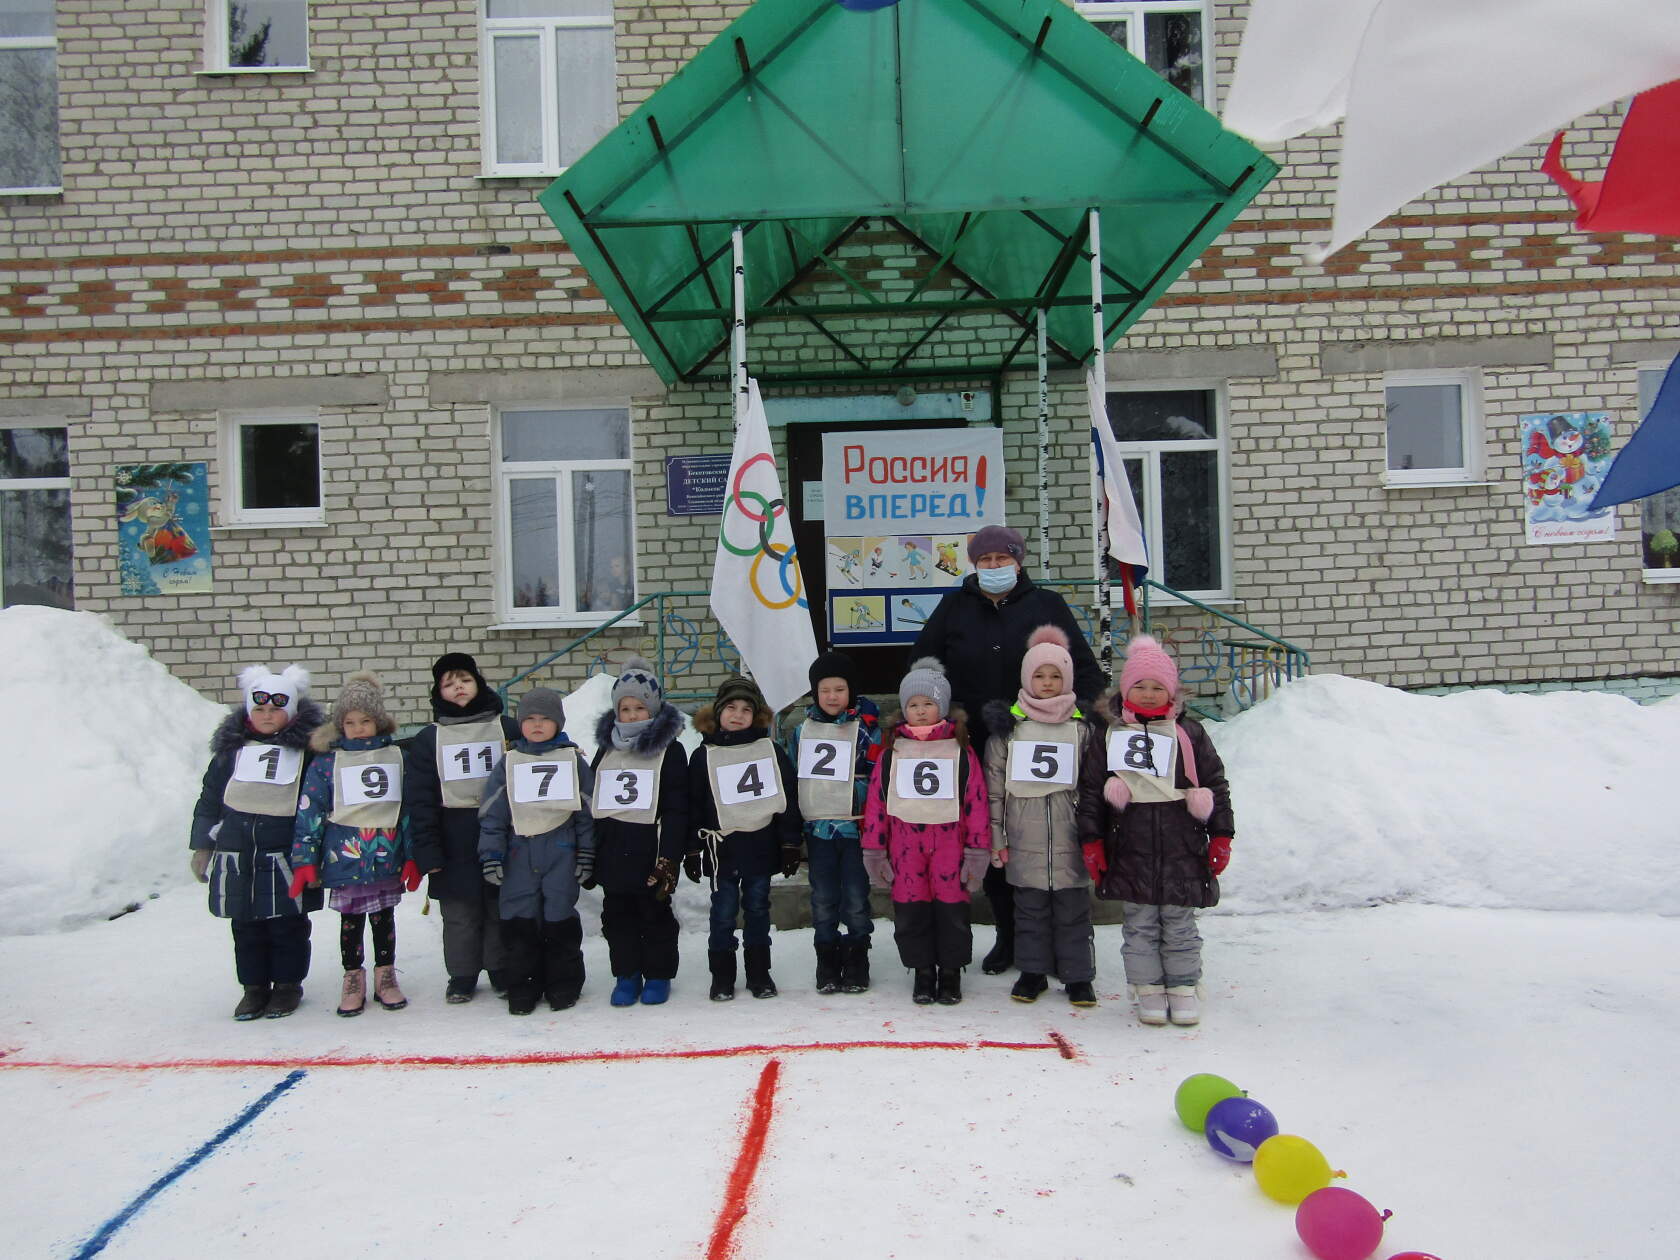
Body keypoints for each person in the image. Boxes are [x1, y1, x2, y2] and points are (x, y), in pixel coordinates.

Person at [908, 523, 1104, 975]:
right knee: (996, 838)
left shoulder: (1046, 606)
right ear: (974, 566)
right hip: (976, 745)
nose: (994, 567)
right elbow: (923, 665)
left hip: (1042, 744)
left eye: (1002, 559)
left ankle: (1064, 941)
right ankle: (1010, 937)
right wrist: (941, 717)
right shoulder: (954, 606)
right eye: (985, 561)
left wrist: (1081, 724)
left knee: (1050, 839)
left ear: (1019, 562)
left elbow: (1086, 673)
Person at [1078, 635, 1235, 1027]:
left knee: (1180, 922)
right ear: (1126, 691)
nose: (1148, 694)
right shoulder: (1109, 735)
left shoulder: (1191, 734)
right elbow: (1092, 791)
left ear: (1172, 691)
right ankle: (1147, 988)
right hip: (1130, 845)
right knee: (1141, 924)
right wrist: (1092, 840)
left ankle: (1183, 986)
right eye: (1140, 687)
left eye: (1157, 687)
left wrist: (1221, 834)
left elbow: (1215, 783)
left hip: (1182, 844)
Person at [188, 664, 324, 1021]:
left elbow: (320, 803)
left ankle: (287, 985)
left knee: (287, 926)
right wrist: (203, 845)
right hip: (237, 853)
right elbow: (210, 798)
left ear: (291, 710)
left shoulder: (309, 753)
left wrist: (315, 853)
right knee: (245, 925)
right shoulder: (231, 752)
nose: (267, 716)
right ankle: (253, 988)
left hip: (284, 854)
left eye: (276, 709)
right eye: (260, 708)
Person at [290, 672, 421, 1016]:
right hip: (344, 857)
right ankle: (353, 978)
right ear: (340, 725)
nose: (359, 728)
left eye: (366, 721)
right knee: (350, 921)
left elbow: (406, 809)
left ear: (378, 722)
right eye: (350, 722)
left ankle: (386, 976)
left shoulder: (395, 757)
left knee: (383, 919)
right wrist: (305, 859)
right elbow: (310, 811)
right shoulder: (326, 763)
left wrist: (412, 855)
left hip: (385, 855)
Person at [860, 658, 990, 1005]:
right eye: (913, 705)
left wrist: (978, 852)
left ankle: (950, 971)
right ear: (904, 710)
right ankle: (921, 971)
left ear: (942, 707)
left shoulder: (961, 751)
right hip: (906, 849)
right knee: (911, 911)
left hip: (951, 846)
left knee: (951, 911)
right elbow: (877, 802)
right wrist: (875, 850)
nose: (920, 711)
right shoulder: (893, 752)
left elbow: (976, 802)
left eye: (928, 704)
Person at [983, 627, 1099, 1007]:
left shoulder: (1082, 730)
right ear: (1025, 678)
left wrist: (1094, 834)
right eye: (1039, 675)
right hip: (1023, 838)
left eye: (1055, 676)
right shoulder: (1008, 732)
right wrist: (997, 838)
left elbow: (1093, 785)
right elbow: (995, 790)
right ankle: (1032, 972)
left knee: (1074, 912)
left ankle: (1078, 976)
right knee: (1029, 911)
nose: (1047, 683)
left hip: (1070, 837)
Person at [405, 652, 520, 1004]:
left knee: (498, 905)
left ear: (479, 683)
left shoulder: (508, 728)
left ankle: (501, 967)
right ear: (438, 692)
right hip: (453, 834)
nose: (458, 688)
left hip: (503, 830)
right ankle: (462, 974)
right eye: (449, 684)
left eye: (465, 680)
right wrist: (427, 848)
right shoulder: (429, 738)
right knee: (459, 913)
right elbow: (420, 798)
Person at [478, 688, 595, 1015]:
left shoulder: (573, 760)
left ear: (558, 723)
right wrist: (491, 855)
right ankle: (523, 988)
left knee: (559, 919)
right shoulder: (509, 762)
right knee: (519, 922)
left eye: (546, 718)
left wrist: (586, 853)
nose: (538, 724)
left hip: (561, 851)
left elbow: (588, 812)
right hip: (518, 854)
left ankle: (563, 984)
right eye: (530, 718)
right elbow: (492, 813)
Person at [687, 675, 803, 1001]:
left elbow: (787, 799)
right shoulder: (703, 756)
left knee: (757, 910)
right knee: (722, 913)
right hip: (721, 849)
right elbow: (693, 805)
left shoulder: (770, 751)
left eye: (746, 709)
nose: (737, 715)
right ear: (718, 711)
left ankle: (759, 973)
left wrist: (790, 842)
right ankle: (722, 976)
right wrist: (692, 849)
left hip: (760, 846)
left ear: (757, 716)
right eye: (731, 708)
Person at [589, 657, 689, 1007]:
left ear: (654, 709)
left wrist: (670, 858)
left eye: (639, 708)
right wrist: (590, 852)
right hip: (613, 851)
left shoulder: (670, 752)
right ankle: (627, 974)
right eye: (625, 708)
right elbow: (593, 799)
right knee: (617, 919)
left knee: (655, 916)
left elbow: (678, 809)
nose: (631, 715)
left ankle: (659, 975)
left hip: (650, 851)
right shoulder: (606, 749)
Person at [784, 650, 882, 994]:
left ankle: (857, 956)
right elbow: (793, 778)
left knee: (855, 896)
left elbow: (878, 776)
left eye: (840, 689)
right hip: (819, 829)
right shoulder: (801, 732)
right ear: (815, 692)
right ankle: (826, 958)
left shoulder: (867, 730)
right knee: (823, 897)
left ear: (850, 691)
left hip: (855, 827)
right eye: (825, 689)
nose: (832, 696)